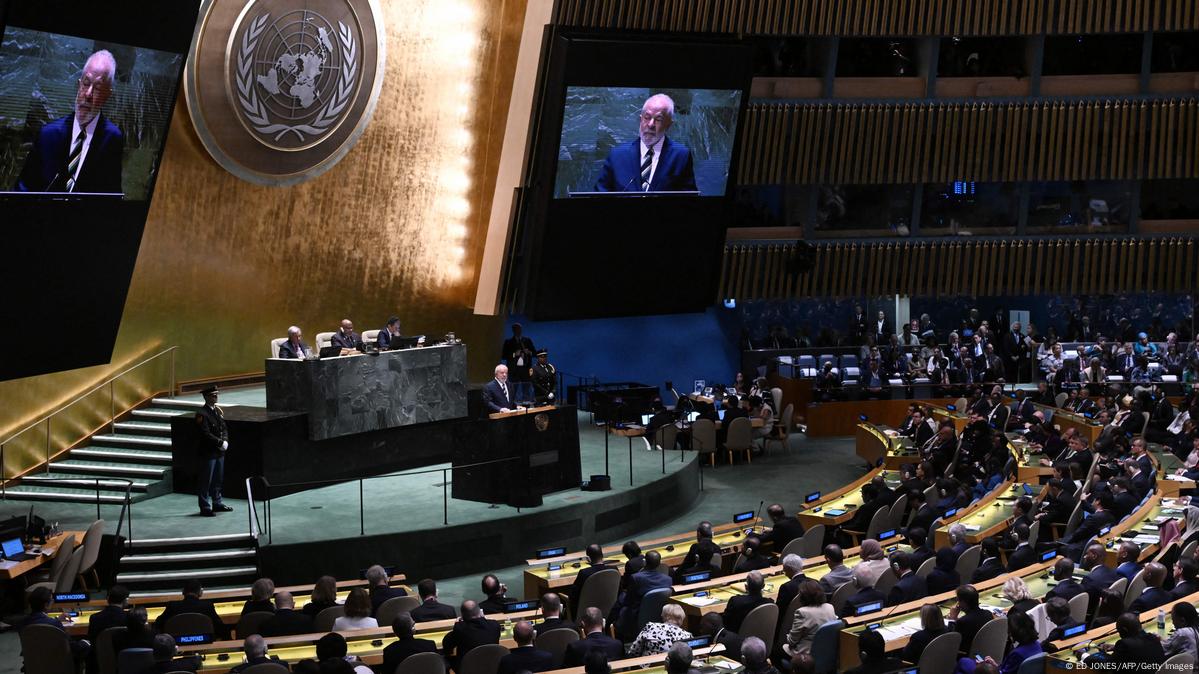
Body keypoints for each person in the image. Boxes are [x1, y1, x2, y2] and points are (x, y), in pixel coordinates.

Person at [16, 49, 124, 194]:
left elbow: (111, 198)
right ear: (79, 85)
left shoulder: (113, 139)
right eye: (86, 83)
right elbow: (23, 189)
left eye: (97, 88)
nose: (88, 94)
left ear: (107, 95)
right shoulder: (48, 134)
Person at [592, 93, 696, 193]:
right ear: (640, 119)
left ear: (668, 125)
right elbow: (600, 194)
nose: (651, 124)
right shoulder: (617, 155)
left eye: (658, 119)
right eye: (647, 117)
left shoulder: (681, 156)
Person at [964, 609, 1041, 674]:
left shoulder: (1017, 654)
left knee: (965, 662)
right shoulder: (1037, 644)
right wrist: (995, 665)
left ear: (1012, 632)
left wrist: (985, 668)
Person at [194, 385, 232, 517]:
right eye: (213, 395)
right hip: (208, 453)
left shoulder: (217, 411)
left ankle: (217, 503)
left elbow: (224, 428)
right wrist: (220, 442)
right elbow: (205, 433)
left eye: (216, 394)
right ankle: (205, 507)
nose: (216, 397)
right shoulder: (201, 414)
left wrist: (225, 440)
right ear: (206, 397)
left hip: (219, 453)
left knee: (217, 479)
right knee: (206, 481)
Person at [155, 579, 229, 639]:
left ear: (183, 591)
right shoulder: (207, 606)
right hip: (204, 643)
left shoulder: (172, 606)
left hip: (178, 644)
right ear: (200, 592)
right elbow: (221, 628)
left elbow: (157, 625)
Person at [442, 600, 500, 671]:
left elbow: (447, 645)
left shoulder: (460, 629)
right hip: (492, 668)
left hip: (468, 670)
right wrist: (483, 618)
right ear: (480, 612)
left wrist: (457, 624)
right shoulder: (495, 625)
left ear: (462, 616)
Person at [783, 580, 835, 658]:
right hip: (827, 651)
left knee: (777, 651)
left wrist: (787, 635)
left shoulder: (802, 612)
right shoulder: (829, 607)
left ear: (803, 597)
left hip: (805, 654)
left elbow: (792, 641)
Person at [627, 603, 692, 657]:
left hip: (648, 667)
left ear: (664, 616)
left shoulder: (651, 627)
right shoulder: (687, 636)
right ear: (682, 619)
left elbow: (634, 650)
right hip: (674, 669)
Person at [948, 585, 992, 653]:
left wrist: (952, 619)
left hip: (967, 655)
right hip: (986, 651)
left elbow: (951, 641)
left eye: (958, 600)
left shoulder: (963, 622)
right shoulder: (988, 614)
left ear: (963, 603)